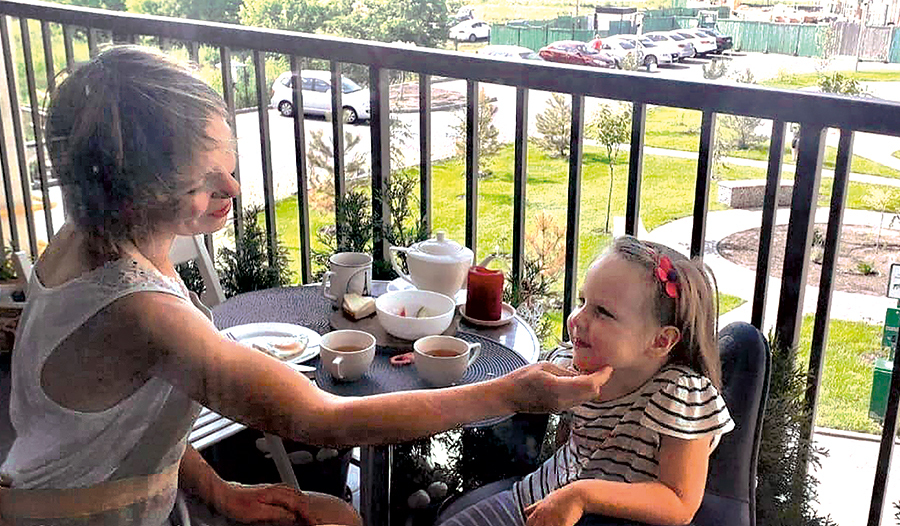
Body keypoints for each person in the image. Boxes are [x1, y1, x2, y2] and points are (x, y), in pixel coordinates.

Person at [0, 46, 613, 526]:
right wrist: (513, 395)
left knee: (337, 514)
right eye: (204, 181)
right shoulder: (139, 310)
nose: (234, 191)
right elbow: (321, 419)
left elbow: (130, 416)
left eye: (231, 167)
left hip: (97, 493)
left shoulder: (89, 234)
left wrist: (222, 491)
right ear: (134, 195)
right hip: (79, 515)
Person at [439, 236, 734, 526]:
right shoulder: (575, 368)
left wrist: (581, 495)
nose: (577, 319)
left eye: (602, 312)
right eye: (583, 301)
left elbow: (679, 502)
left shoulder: (680, 394)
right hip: (529, 503)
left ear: (661, 340)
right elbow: (565, 442)